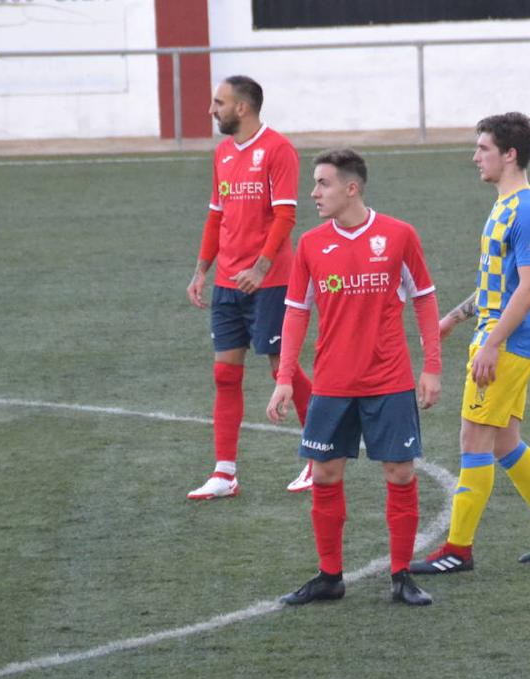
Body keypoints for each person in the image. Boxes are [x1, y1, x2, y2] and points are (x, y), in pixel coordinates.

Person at [411, 112, 530, 576]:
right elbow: (498, 285)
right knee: (506, 441)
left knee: (474, 437)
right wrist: (455, 317)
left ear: (510, 154)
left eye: (483, 148)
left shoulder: (527, 209)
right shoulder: (505, 204)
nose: (475, 157)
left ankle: (458, 549)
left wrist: (491, 344)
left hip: (507, 343)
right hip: (498, 336)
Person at [267, 149, 441, 606]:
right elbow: (295, 313)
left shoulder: (398, 235)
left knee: (400, 474)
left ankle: (402, 576)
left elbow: (423, 299)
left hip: (389, 381)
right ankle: (330, 577)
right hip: (332, 383)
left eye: (322, 183)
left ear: (352, 188)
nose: (313, 193)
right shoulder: (309, 244)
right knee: (324, 474)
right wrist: (285, 377)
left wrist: (432, 367)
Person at [186, 75, 313, 500]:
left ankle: (319, 457)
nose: (212, 110)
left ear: (242, 108)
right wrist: (202, 270)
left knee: (283, 369)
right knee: (225, 373)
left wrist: (260, 269)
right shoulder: (222, 153)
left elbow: (285, 218)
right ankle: (225, 473)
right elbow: (214, 217)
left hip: (271, 281)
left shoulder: (278, 150)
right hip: (227, 283)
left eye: (218, 102)